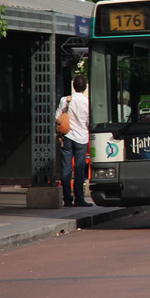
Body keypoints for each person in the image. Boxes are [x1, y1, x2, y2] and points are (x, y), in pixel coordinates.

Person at [56, 75, 91, 207]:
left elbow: (57, 117)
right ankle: (79, 199)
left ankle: (67, 199)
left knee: (66, 168)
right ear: (85, 86)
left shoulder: (65, 100)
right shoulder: (87, 102)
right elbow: (88, 121)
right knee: (79, 168)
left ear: (74, 86)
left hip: (67, 137)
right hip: (81, 137)